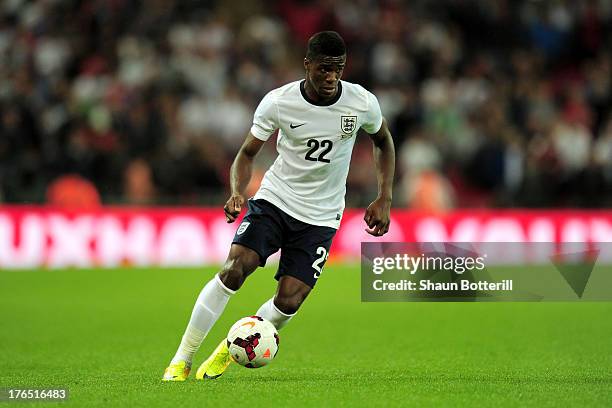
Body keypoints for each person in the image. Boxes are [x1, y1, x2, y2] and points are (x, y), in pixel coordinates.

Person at [162, 31, 395, 381]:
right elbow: (247, 153)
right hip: (276, 200)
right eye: (324, 69)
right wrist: (237, 190)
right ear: (307, 65)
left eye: (338, 69)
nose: (331, 77)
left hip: (321, 215)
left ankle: (230, 347)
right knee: (234, 268)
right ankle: (182, 359)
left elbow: (384, 141)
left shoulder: (361, 102)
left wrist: (385, 195)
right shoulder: (278, 102)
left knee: (289, 301)